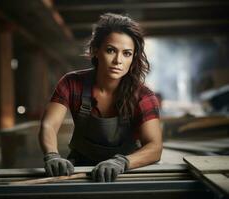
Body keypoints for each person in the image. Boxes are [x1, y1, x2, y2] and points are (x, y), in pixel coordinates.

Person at [39, 13, 162, 182]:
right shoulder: (71, 83)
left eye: (126, 53)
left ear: (133, 58)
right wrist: (52, 155)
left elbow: (155, 147)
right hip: (80, 168)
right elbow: (49, 125)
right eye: (111, 50)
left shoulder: (143, 96)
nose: (118, 60)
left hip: (126, 172)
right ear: (95, 50)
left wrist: (121, 162)